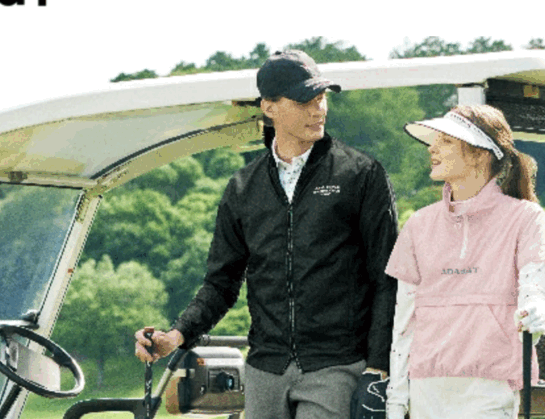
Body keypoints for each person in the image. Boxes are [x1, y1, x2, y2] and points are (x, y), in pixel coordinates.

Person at [134, 49, 399, 419]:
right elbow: (221, 283)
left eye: (321, 99)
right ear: (269, 107)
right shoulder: (243, 187)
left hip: (336, 366)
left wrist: (378, 367)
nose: (318, 110)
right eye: (305, 101)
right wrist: (176, 336)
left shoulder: (360, 174)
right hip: (265, 369)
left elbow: (388, 277)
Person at [384, 104, 545, 419]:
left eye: (446, 141)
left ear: (480, 154)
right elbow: (404, 321)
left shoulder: (526, 218)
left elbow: (534, 287)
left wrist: (535, 311)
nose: (432, 148)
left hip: (492, 385)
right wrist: (396, 398)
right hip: (426, 386)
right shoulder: (419, 224)